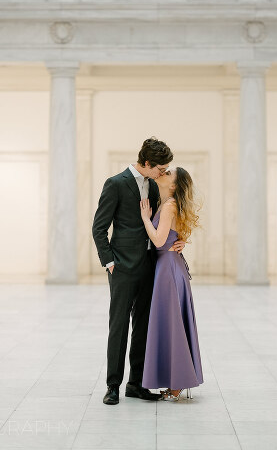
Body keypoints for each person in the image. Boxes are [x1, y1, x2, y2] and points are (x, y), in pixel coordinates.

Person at [92, 137, 186, 405]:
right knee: (119, 326)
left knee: (144, 326)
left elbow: (161, 223)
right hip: (121, 267)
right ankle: (113, 386)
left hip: (150, 265)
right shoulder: (116, 183)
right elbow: (99, 227)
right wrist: (109, 262)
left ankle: (136, 384)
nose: (162, 173)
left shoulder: (155, 188)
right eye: (160, 169)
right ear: (146, 163)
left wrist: (178, 242)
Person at [140, 166, 204, 401]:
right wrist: (181, 239)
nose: (163, 174)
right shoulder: (168, 203)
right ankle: (176, 380)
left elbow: (158, 241)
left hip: (167, 268)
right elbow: (173, 234)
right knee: (171, 323)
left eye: (168, 174)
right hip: (170, 266)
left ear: (174, 185)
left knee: (171, 324)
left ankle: (176, 383)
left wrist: (146, 219)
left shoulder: (168, 206)